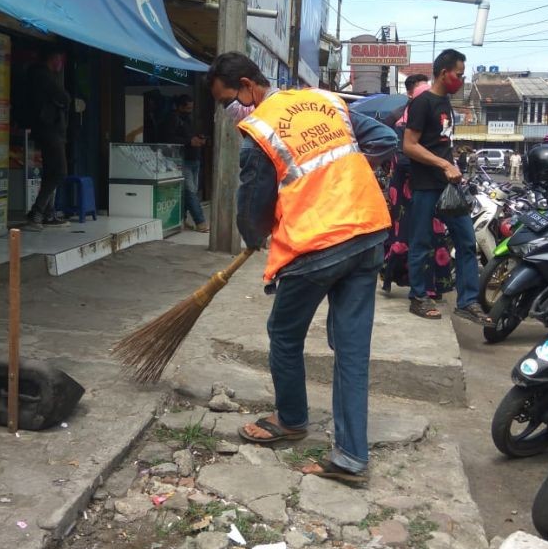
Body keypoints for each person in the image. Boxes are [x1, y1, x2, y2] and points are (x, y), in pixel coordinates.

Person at [206, 51, 396, 484]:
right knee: (351, 350)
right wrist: (343, 178)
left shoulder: (260, 128)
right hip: (367, 232)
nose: (229, 110)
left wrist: (254, 236)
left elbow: (253, 203)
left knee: (284, 335)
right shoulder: (325, 101)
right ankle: (351, 457)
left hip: (317, 245)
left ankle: (291, 419)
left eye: (227, 100)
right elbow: (384, 139)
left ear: (248, 87)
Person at [403, 48, 490, 325]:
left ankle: (467, 302)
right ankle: (418, 296)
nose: (461, 80)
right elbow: (409, 146)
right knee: (421, 241)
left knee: (466, 241)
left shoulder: (446, 103)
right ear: (444, 73)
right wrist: (443, 165)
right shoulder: (422, 103)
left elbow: (441, 145)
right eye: (459, 75)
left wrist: (453, 166)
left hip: (449, 187)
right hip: (426, 185)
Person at [381, 75, 455, 304]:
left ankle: (430, 286)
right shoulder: (400, 119)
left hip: (428, 184)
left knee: (432, 236)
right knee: (408, 237)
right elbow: (402, 156)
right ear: (413, 94)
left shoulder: (432, 115)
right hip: (407, 188)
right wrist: (432, 163)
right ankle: (413, 284)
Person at [23, 49, 70, 231]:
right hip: (49, 131)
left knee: (51, 172)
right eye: (60, 58)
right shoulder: (42, 75)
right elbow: (64, 97)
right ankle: (37, 213)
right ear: (54, 57)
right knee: (59, 172)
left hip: (49, 130)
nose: (62, 63)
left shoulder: (41, 75)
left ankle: (48, 213)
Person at [161, 94, 209, 232]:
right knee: (190, 192)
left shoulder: (189, 120)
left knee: (189, 191)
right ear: (179, 107)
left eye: (191, 108)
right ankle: (200, 222)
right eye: (187, 108)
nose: (189, 110)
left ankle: (181, 219)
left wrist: (199, 139)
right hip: (183, 160)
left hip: (195, 159)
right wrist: (189, 142)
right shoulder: (172, 119)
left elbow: (191, 134)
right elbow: (168, 139)